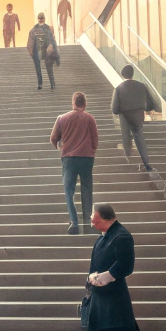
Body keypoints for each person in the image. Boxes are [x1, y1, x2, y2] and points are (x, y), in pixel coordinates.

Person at [84, 203, 142, 331]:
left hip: (115, 300)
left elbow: (126, 266)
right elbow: (95, 265)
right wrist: (92, 278)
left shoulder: (122, 236)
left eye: (94, 214)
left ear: (106, 217)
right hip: (104, 300)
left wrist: (102, 278)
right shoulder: (104, 238)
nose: (91, 218)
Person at [51, 92, 100, 235]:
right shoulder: (90, 118)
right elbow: (95, 140)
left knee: (68, 190)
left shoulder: (62, 118)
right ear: (84, 104)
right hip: (86, 158)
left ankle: (74, 222)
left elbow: (53, 138)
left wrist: (61, 148)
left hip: (69, 159)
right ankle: (87, 223)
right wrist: (91, 151)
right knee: (86, 190)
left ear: (73, 103)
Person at [110, 64, 158, 172]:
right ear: (132, 74)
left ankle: (129, 160)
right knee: (139, 136)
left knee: (126, 137)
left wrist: (121, 111)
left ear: (122, 75)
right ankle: (146, 163)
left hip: (125, 116)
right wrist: (144, 109)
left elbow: (114, 109)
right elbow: (151, 104)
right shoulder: (142, 86)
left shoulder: (118, 89)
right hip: (138, 115)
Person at [27, 14, 57, 90]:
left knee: (49, 67)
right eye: (40, 18)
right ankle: (40, 83)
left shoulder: (47, 28)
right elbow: (31, 39)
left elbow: (51, 39)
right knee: (38, 68)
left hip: (46, 50)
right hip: (37, 49)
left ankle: (52, 83)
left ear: (44, 19)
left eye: (42, 18)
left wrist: (53, 49)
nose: (41, 20)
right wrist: (31, 50)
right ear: (38, 19)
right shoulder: (35, 28)